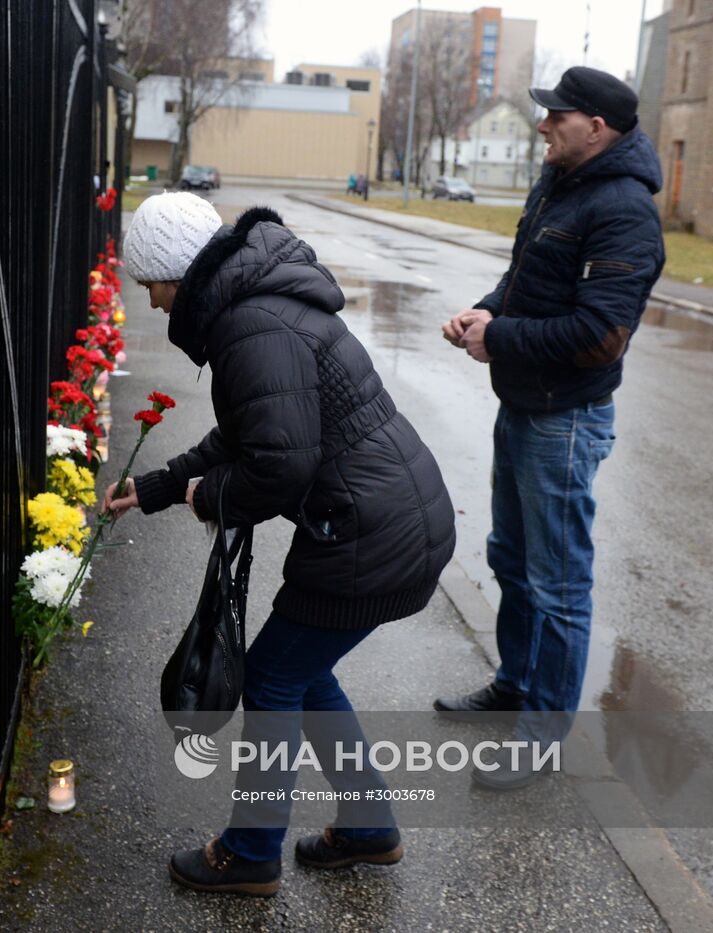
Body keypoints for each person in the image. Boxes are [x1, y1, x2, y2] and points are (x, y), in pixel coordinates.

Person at [104, 191, 456, 896]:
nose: (154, 303)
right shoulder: (252, 305)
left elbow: (280, 464)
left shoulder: (250, 325)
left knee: (271, 675)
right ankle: (368, 825)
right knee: (300, 670)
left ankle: (251, 851)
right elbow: (248, 436)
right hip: (394, 519)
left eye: (153, 285)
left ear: (179, 270)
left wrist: (213, 496)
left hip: (369, 532)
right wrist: (160, 487)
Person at [435, 66, 665, 789]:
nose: (541, 125)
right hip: (526, 405)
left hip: (564, 421)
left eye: (554, 116)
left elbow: (601, 335)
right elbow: (523, 283)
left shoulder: (623, 209)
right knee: (511, 558)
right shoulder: (560, 184)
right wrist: (484, 311)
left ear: (596, 127)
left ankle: (540, 734)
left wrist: (499, 338)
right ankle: (515, 684)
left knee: (559, 582)